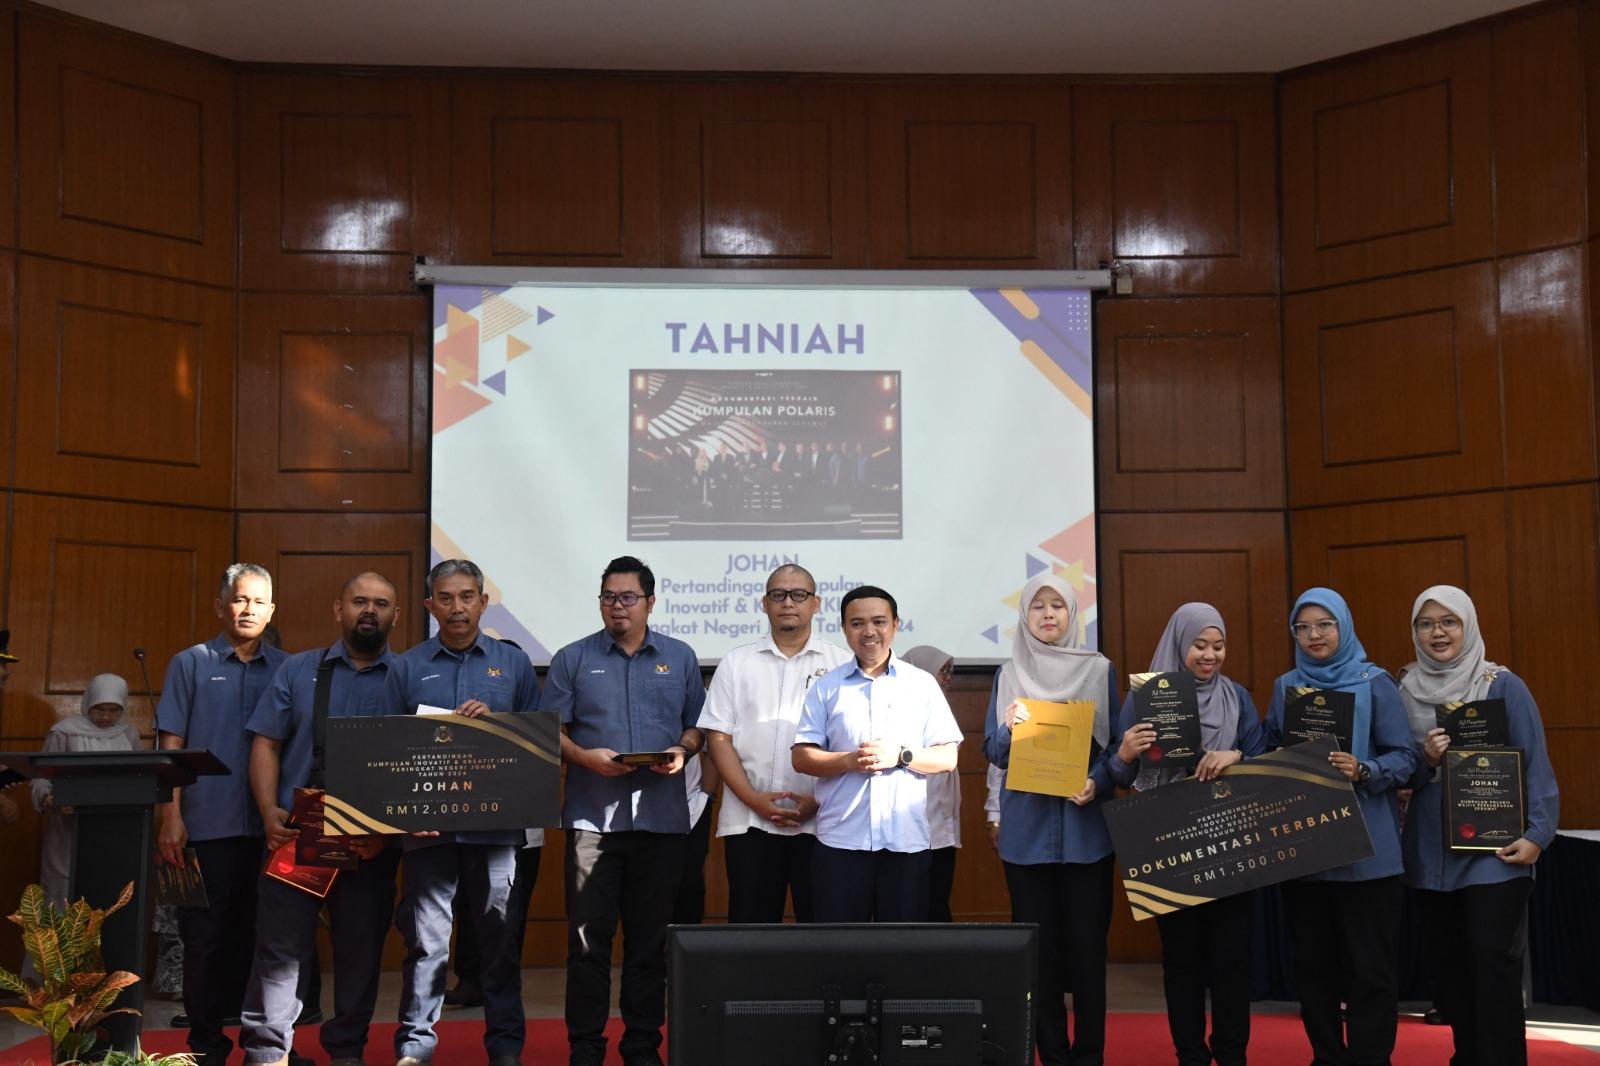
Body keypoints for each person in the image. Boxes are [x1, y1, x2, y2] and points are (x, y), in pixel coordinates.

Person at [238, 573, 404, 1066]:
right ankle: (266, 1054)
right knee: (280, 948)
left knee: (359, 950)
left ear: (396, 615)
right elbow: (266, 742)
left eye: (381, 603)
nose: (369, 611)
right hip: (300, 828)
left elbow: (420, 764)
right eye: (359, 601)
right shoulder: (297, 670)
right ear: (338, 608)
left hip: (368, 838)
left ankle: (347, 1052)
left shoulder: (408, 675)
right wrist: (268, 810)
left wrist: (387, 833)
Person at [546, 555, 705, 1066]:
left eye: (628, 597)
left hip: (661, 821)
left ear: (650, 603)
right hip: (592, 821)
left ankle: (641, 1045)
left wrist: (682, 750)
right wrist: (584, 758)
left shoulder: (680, 657)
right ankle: (585, 1048)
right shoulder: (572, 658)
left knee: (649, 943)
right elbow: (550, 731)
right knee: (587, 943)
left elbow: (698, 726)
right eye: (609, 597)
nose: (618, 606)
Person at [385, 559, 542, 1066]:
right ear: (430, 605)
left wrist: (498, 725)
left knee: (499, 942)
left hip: (496, 830)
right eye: (446, 598)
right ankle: (415, 1047)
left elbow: (537, 746)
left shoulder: (514, 664)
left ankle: (505, 1048)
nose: (457, 607)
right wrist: (407, 812)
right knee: (426, 945)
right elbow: (387, 750)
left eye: (467, 596)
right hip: (428, 831)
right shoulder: (406, 667)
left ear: (483, 602)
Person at [1399, 585, 1558, 1066]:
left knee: (1493, 965)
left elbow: (1535, 763)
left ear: (1467, 625)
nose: (1438, 632)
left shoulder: (1502, 685)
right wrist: (1425, 760)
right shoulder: (1402, 688)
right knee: (1450, 974)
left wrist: (1537, 835)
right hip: (1430, 854)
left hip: (1496, 853)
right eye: (1426, 623)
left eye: (1449, 621)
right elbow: (1397, 771)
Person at [1263, 588, 1418, 1066]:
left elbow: (1406, 758)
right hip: (1306, 853)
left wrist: (1364, 770)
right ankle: (1326, 1057)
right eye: (1303, 627)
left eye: (1324, 625)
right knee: (1314, 972)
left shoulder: (1376, 682)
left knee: (1372, 971)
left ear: (1343, 626)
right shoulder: (1285, 686)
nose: (1314, 635)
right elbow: (1268, 749)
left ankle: (1371, 1059)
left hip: (1369, 855)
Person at [1109, 604, 1265, 1066]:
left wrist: (1237, 756)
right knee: (1182, 959)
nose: (1210, 655)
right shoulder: (1145, 699)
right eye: (1199, 645)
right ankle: (1190, 1055)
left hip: (1230, 839)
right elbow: (1119, 775)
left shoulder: (1238, 698)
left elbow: (1264, 762)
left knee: (1233, 958)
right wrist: (1126, 751)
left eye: (1219, 646)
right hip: (1169, 840)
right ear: (1180, 645)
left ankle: (1232, 1054)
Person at [155, 564, 289, 1066]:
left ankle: (266, 1047)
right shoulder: (189, 663)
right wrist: (170, 816)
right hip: (203, 825)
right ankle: (206, 1046)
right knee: (204, 940)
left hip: (274, 828)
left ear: (271, 610)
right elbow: (170, 745)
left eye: (259, 601)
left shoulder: (289, 668)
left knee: (271, 940)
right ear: (220, 606)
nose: (249, 609)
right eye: (240, 599)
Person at [982, 573, 1118, 1066]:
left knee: (1088, 954)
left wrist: (1097, 781)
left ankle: (1089, 1056)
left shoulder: (1099, 670)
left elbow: (1120, 751)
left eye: (1057, 606)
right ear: (1024, 615)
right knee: (1038, 957)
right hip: (1028, 837)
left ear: (1072, 614)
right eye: (1037, 606)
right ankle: (1052, 1056)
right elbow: (993, 752)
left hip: (1087, 835)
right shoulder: (1008, 674)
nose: (1047, 615)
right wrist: (1008, 726)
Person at [792, 586, 961, 923]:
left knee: (902, 949)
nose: (869, 631)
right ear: (844, 628)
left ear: (895, 625)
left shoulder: (922, 684)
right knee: (838, 947)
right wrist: (848, 761)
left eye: (879, 621)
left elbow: (947, 757)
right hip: (841, 843)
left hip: (906, 843)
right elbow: (802, 757)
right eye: (857, 623)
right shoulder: (827, 687)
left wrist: (901, 756)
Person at [700, 563, 851, 923]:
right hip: (749, 821)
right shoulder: (737, 662)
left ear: (815, 603)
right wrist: (753, 799)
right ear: (764, 603)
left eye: (798, 595)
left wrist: (818, 800)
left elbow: (851, 745)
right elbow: (718, 738)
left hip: (824, 821)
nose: (788, 602)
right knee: (751, 933)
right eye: (778, 595)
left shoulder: (843, 664)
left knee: (824, 930)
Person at [32, 674, 142, 906]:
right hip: (68, 829)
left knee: (107, 898)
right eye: (99, 709)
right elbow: (41, 777)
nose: (106, 717)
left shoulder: (128, 734)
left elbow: (139, 778)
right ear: (88, 702)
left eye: (114, 710)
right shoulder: (63, 732)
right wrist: (49, 798)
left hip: (114, 829)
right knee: (64, 898)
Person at [898, 645, 962, 922]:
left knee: (937, 908)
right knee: (910, 913)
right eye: (941, 670)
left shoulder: (942, 713)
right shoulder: (898, 714)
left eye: (950, 670)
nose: (947, 678)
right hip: (907, 836)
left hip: (942, 835)